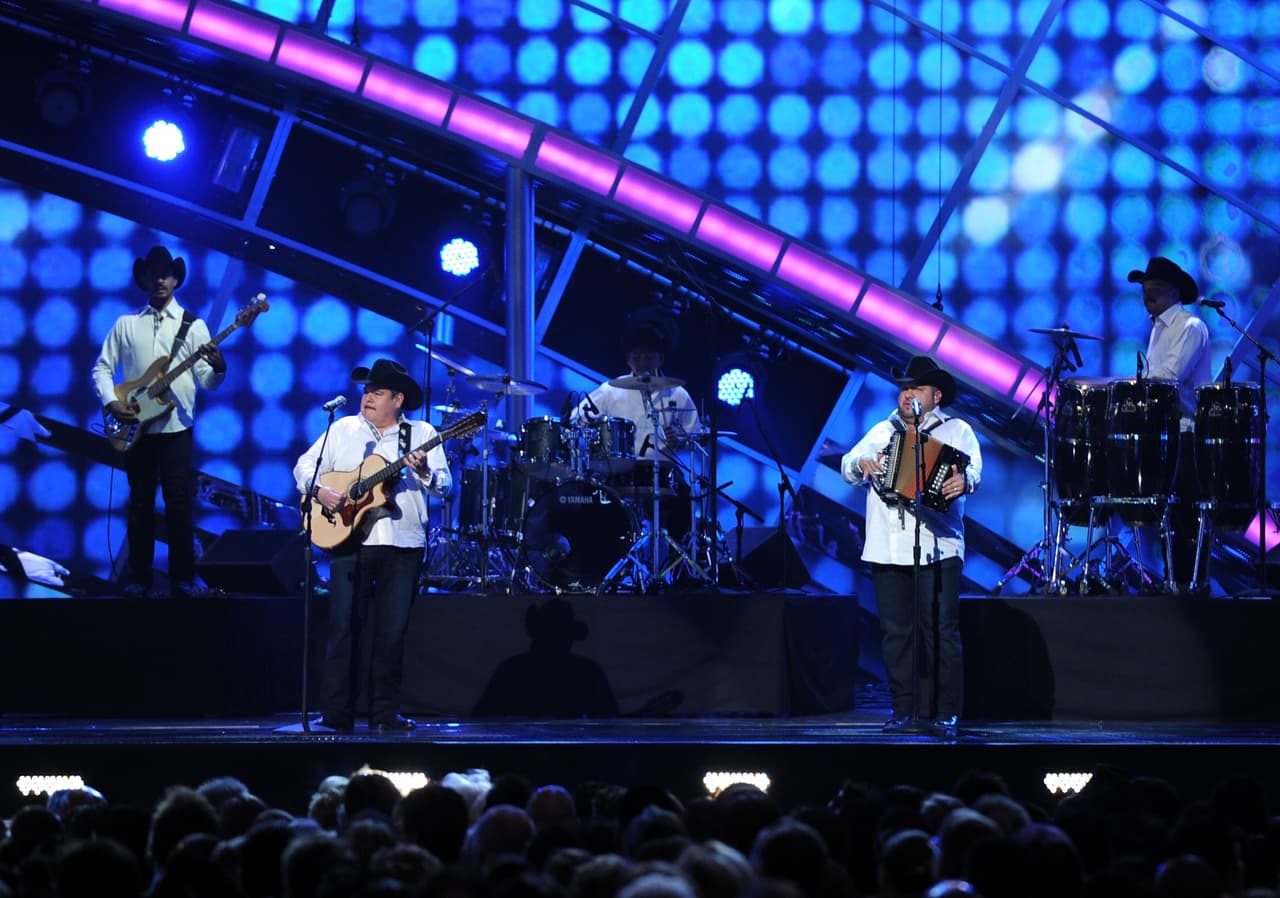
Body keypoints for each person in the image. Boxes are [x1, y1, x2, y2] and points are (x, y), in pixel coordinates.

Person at [293, 357, 451, 733]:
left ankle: (385, 714)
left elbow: (445, 487)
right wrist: (321, 491)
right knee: (343, 628)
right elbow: (304, 466)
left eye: (377, 393)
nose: (367, 398)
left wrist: (424, 470)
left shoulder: (422, 432)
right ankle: (335, 715)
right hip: (348, 541)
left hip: (402, 544)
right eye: (366, 391)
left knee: (391, 633)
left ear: (397, 400)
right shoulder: (343, 429)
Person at [841, 356, 982, 733]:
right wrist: (863, 465)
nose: (907, 395)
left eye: (916, 388)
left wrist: (964, 482)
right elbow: (848, 464)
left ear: (936, 395)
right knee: (897, 633)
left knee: (940, 630)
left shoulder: (957, 431)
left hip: (940, 546)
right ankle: (905, 709)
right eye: (904, 388)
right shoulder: (883, 430)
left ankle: (945, 712)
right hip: (887, 548)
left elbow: (973, 472)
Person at [92, 245, 226, 598]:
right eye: (153, 274)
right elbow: (102, 369)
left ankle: (182, 579)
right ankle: (139, 579)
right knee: (139, 503)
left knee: (178, 502)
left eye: (165, 273)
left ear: (176, 279)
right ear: (144, 279)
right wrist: (112, 402)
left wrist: (220, 367)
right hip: (136, 426)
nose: (159, 280)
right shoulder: (126, 324)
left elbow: (206, 381)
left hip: (176, 429)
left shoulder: (194, 326)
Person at [1128, 256, 1212, 592]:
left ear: (1175, 292)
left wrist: (1138, 385)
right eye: (1146, 288)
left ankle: (1193, 582)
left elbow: (1171, 377)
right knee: (1169, 511)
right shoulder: (1158, 328)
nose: (1148, 292)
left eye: (1156, 287)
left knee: (1188, 512)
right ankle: (1173, 580)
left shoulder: (1189, 327)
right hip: (1164, 435)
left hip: (1186, 433)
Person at [573, 319, 701, 462]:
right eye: (637, 358)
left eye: (649, 357)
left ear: (661, 359)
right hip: (619, 471)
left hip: (664, 474)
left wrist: (679, 439)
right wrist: (589, 427)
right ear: (628, 360)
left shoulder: (677, 394)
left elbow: (696, 436)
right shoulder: (611, 390)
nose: (643, 363)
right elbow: (576, 418)